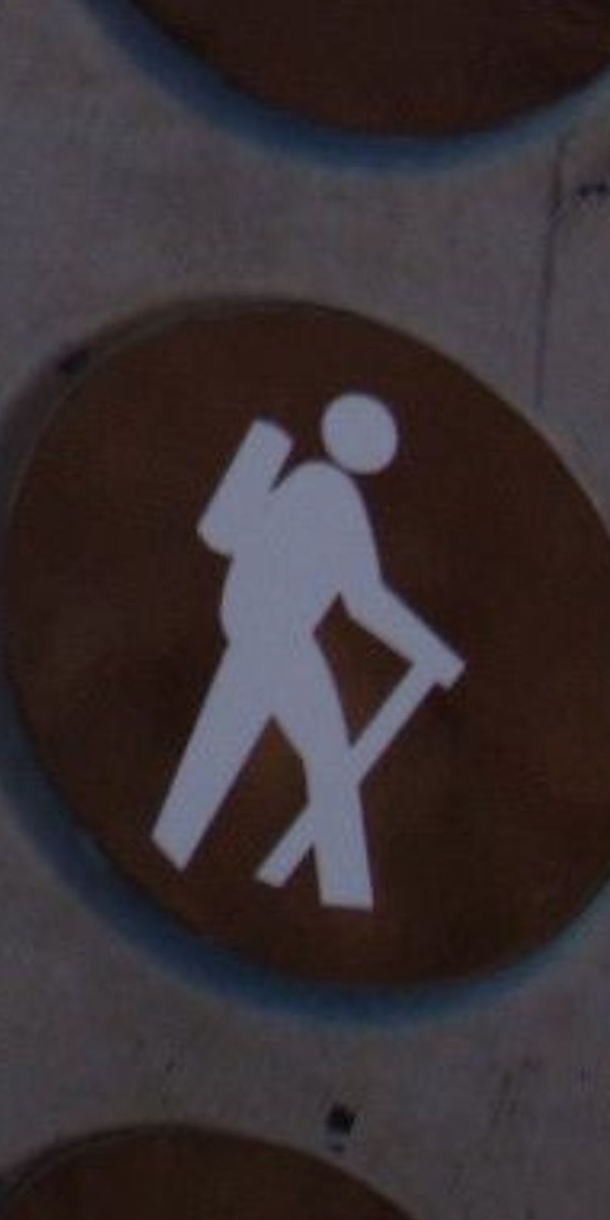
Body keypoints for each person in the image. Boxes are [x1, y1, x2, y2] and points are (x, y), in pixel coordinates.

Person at [150, 390, 461, 912]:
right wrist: (431, 650)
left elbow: (357, 597)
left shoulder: (308, 483)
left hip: (259, 634)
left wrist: (429, 650)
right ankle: (345, 895)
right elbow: (363, 599)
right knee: (326, 762)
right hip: (276, 639)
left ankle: (168, 857)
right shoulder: (331, 494)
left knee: (219, 755)